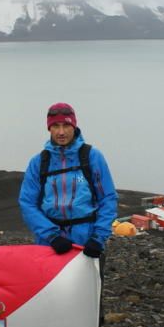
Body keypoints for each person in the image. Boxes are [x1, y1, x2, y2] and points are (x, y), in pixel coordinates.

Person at [18, 102, 118, 257]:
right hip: (49, 244)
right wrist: (52, 236)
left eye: (66, 125)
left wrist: (98, 238)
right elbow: (27, 202)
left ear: (74, 126)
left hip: (86, 242)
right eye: (55, 126)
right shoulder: (39, 162)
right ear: (49, 128)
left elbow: (108, 198)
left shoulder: (92, 157)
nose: (61, 132)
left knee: (86, 282)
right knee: (52, 282)